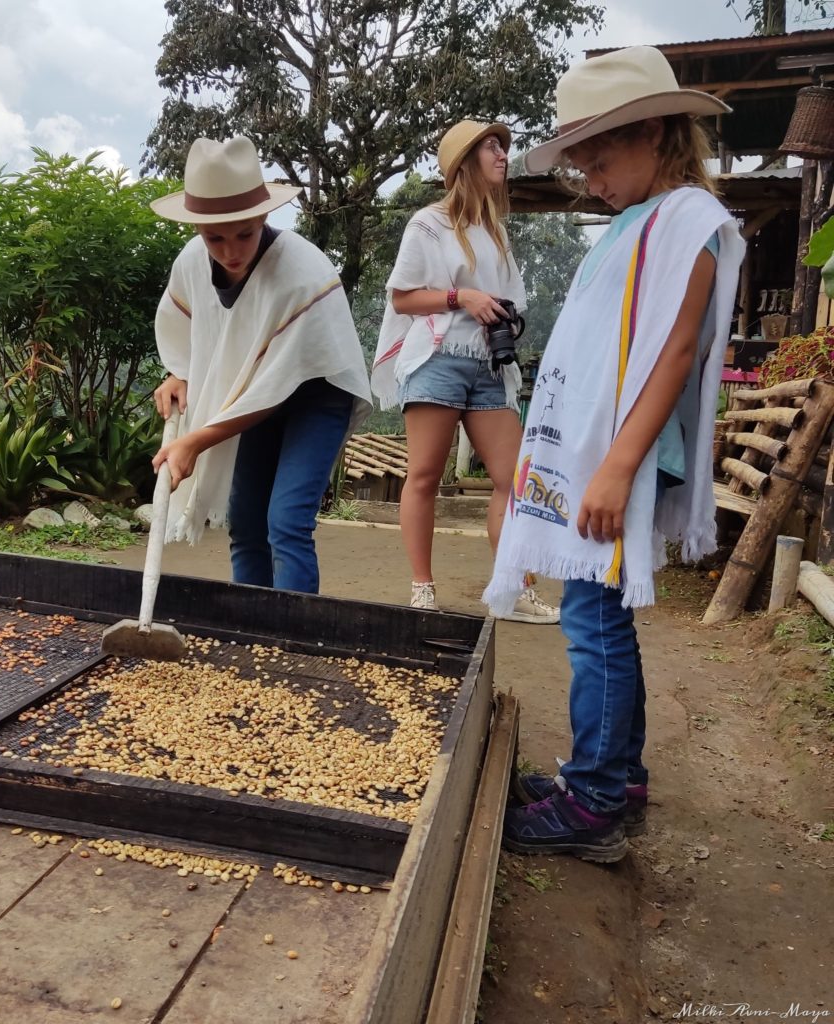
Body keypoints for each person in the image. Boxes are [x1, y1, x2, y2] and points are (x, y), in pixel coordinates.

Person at [485, 47, 746, 861]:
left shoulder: (688, 223)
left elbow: (671, 354)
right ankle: (613, 780)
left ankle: (592, 803)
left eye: (602, 160)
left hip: (619, 457)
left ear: (658, 132)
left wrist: (616, 465)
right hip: (606, 453)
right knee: (600, 621)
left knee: (591, 625)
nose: (592, 181)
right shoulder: (642, 221)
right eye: (582, 167)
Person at [150, 136, 372, 594]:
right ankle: (250, 639)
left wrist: (195, 441)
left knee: (287, 521)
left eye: (244, 234)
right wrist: (179, 373)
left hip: (316, 393)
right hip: (252, 398)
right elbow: (188, 329)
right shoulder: (192, 262)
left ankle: (291, 643)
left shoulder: (301, 272)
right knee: (247, 524)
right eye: (215, 237)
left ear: (264, 215)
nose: (230, 251)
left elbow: (278, 384)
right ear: (197, 229)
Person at [370, 119, 559, 623]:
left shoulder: (495, 232)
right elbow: (403, 297)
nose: (503, 155)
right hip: (436, 360)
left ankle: (512, 589)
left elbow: (511, 298)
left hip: (487, 368)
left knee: (514, 478)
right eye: (493, 147)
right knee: (425, 476)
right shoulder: (428, 223)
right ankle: (422, 589)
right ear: (465, 161)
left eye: (503, 147)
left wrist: (503, 316)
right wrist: (463, 297)